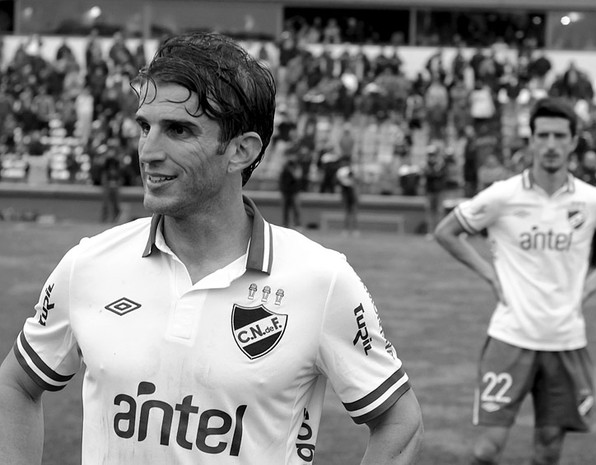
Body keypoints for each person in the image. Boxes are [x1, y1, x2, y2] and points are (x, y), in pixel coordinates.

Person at [0, 32, 422, 465]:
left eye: (178, 130)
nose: (149, 151)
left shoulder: (321, 280)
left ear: (242, 150)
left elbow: (399, 423)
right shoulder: (87, 264)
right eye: (146, 126)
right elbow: (15, 385)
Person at [434, 97, 596, 465]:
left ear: (574, 141)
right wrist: (489, 274)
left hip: (565, 340)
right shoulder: (503, 195)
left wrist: (590, 286)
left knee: (548, 450)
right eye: (542, 135)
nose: (550, 144)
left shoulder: (592, 201)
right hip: (510, 336)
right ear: (530, 141)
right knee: (487, 449)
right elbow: (447, 232)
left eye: (560, 136)